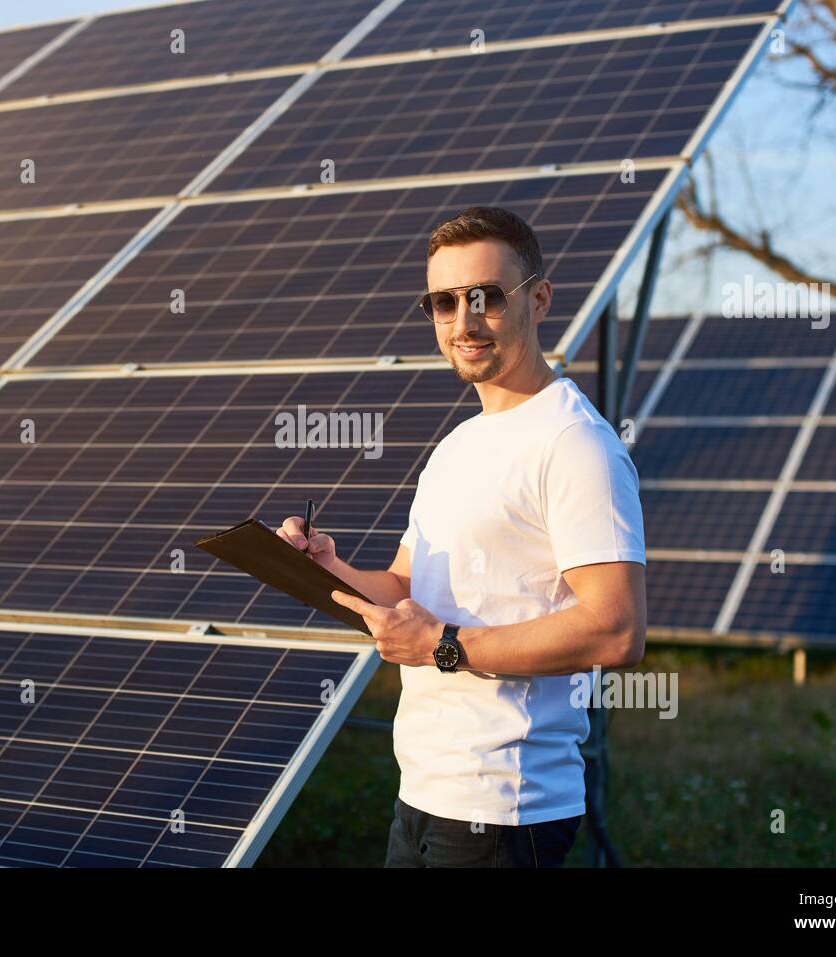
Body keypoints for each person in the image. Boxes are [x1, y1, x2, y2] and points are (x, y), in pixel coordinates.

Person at [276, 206, 646, 868]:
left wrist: (444, 647)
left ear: (539, 299)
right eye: (444, 302)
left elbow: (616, 630)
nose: (464, 321)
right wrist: (326, 566)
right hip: (424, 789)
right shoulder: (456, 446)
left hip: (506, 808)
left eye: (485, 297)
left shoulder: (575, 445)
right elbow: (401, 590)